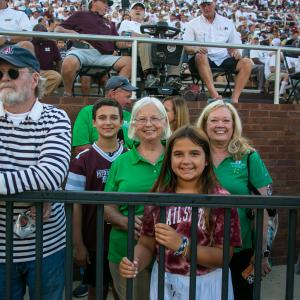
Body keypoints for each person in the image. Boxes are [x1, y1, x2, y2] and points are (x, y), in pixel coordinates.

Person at [119, 125, 241, 300]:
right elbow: (146, 244)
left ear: (207, 159)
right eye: (178, 154)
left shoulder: (221, 200)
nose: (186, 161)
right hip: (165, 281)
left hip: (208, 283)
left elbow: (223, 256)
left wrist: (183, 246)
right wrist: (135, 262)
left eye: (194, 153)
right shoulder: (158, 197)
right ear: (169, 159)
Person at [0, 45, 71, 299]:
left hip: (47, 246)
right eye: (0, 74)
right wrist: (39, 192)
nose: (5, 79)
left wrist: (47, 188)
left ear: (34, 79)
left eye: (12, 72)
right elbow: (41, 177)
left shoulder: (56, 118)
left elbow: (50, 174)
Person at [196, 100, 273, 300]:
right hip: (201, 248)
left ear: (233, 125)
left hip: (241, 249)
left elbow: (264, 209)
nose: (220, 125)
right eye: (213, 120)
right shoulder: (194, 154)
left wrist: (262, 251)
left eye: (225, 120)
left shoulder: (248, 156)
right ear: (204, 124)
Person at [104, 97, 171, 300]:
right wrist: (126, 221)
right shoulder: (121, 162)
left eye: (155, 118)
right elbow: (107, 206)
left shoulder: (177, 158)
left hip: (172, 253)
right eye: (141, 119)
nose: (148, 124)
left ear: (165, 122)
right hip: (126, 250)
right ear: (133, 124)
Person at [66, 98, 126, 300]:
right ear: (93, 122)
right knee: (96, 290)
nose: (107, 122)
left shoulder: (129, 157)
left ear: (121, 122)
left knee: (123, 291)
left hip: (124, 239)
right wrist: (79, 244)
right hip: (94, 240)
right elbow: (75, 204)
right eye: (102, 118)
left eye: (113, 118)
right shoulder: (82, 160)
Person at [54, 0, 132, 96]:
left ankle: (114, 95)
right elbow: (57, 30)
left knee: (128, 62)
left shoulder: (110, 23)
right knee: (68, 63)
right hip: (82, 51)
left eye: (108, 4)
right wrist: (71, 33)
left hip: (103, 56)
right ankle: (68, 94)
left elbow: (117, 42)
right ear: (94, 2)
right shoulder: (81, 14)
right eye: (104, 2)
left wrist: (127, 43)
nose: (107, 6)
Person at [182, 0, 252, 103]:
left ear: (214, 3)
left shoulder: (227, 22)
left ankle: (235, 98)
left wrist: (237, 51)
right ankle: (215, 96)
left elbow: (236, 44)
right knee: (200, 56)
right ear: (200, 7)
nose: (206, 8)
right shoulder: (192, 24)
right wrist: (195, 49)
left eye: (208, 4)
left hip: (224, 58)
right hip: (202, 60)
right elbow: (186, 46)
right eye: (203, 5)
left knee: (247, 63)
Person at [72, 76, 138, 155]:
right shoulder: (88, 112)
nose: (129, 102)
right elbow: (80, 148)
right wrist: (113, 152)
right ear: (113, 94)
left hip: (127, 165)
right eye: (127, 97)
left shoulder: (129, 116)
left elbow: (141, 148)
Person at [32, 24, 62, 97]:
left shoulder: (51, 43)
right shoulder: (29, 44)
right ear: (34, 34)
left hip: (47, 72)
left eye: (44, 32)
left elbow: (59, 60)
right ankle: (34, 96)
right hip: (32, 71)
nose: (43, 35)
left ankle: (40, 96)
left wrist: (61, 73)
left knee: (57, 77)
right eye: (40, 33)